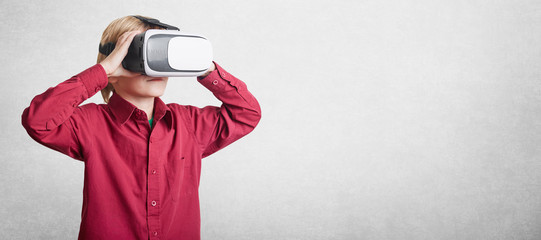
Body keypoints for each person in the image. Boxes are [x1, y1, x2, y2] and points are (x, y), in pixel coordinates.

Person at [21, 15, 261, 240]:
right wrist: (102, 71)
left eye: (162, 55)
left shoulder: (189, 124)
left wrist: (204, 67)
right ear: (115, 62)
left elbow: (247, 114)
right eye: (141, 53)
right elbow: (38, 121)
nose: (155, 66)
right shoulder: (89, 123)